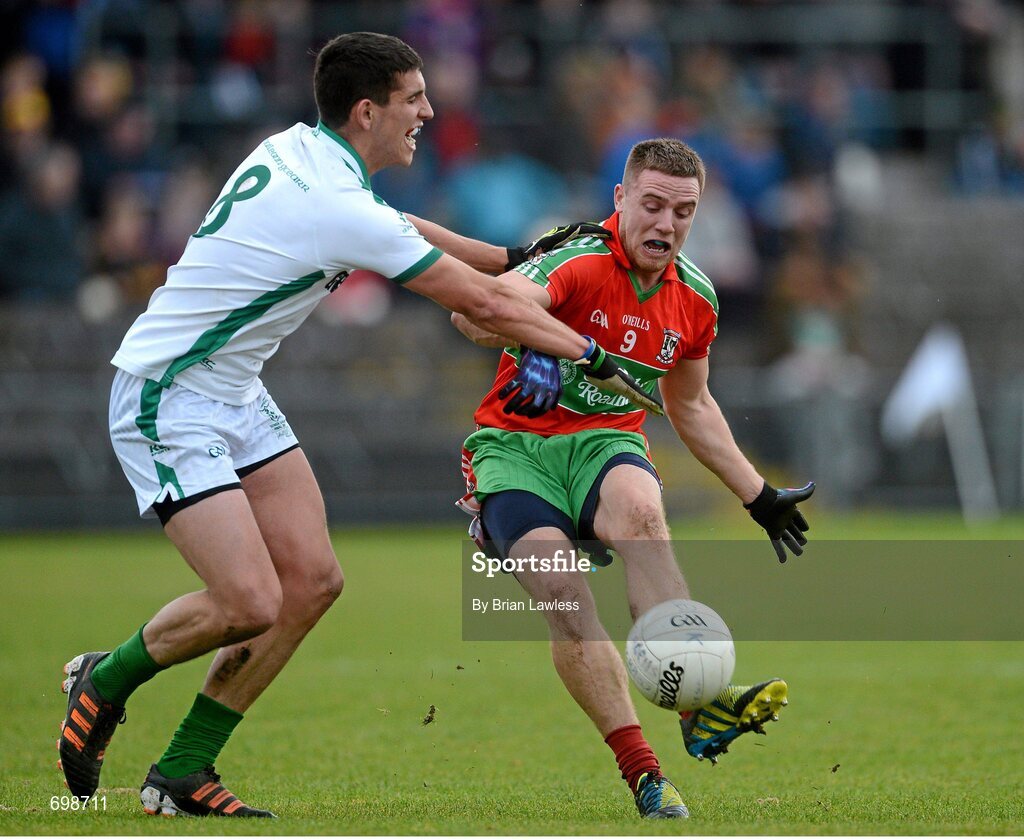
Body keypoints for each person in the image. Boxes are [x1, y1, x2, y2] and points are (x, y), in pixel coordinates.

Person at [56, 32, 658, 818]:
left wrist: (509, 254)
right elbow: (472, 303)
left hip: (232, 391)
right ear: (367, 109)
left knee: (312, 582)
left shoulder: (308, 154)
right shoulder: (334, 203)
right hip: (166, 394)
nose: (429, 112)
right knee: (247, 600)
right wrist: (592, 353)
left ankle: (183, 769)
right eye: (414, 99)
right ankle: (104, 680)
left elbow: (395, 225)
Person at [452, 138, 814, 819]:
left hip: (606, 442)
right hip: (514, 447)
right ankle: (644, 773)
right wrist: (528, 336)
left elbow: (692, 405)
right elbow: (475, 310)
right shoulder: (578, 261)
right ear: (620, 201)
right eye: (651, 205)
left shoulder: (696, 298)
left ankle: (697, 708)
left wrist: (756, 493)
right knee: (564, 591)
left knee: (643, 517)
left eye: (683, 210)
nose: (666, 224)